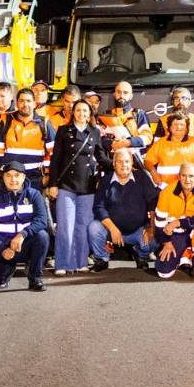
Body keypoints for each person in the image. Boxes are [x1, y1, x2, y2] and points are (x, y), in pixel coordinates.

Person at [49, 98, 108, 275]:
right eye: (78, 110)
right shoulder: (63, 131)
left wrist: (120, 163)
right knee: (65, 226)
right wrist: (53, 184)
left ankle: (81, 261)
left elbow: (102, 157)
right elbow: (56, 160)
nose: (82, 114)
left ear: (90, 114)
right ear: (72, 113)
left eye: (85, 111)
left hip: (87, 186)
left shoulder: (95, 132)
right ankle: (62, 263)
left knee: (83, 226)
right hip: (66, 185)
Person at [0, 160, 50, 291]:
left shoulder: (34, 195)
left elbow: (42, 220)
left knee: (42, 236)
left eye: (17, 175)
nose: (13, 179)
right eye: (8, 175)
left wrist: (22, 234)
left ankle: (35, 278)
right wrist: (2, 249)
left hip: (24, 245)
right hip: (4, 245)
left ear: (24, 177)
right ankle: (5, 273)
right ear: (3, 177)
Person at [90, 148, 160, 272]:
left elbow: (153, 203)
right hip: (112, 231)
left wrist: (151, 227)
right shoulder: (106, 180)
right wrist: (112, 228)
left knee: (156, 236)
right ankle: (102, 259)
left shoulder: (142, 177)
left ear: (132, 162)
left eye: (127, 161)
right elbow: (99, 207)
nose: (124, 165)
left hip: (138, 230)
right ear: (113, 163)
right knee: (93, 228)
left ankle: (140, 255)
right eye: (120, 162)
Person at [154, 163, 194, 279]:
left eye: (191, 176)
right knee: (163, 272)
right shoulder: (166, 192)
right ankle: (183, 255)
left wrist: (178, 222)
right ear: (179, 176)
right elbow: (159, 223)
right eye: (184, 175)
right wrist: (167, 242)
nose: (187, 180)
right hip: (177, 233)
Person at [0, 88, 55, 186]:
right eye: (21, 101)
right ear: (17, 104)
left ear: (34, 104)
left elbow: (54, 153)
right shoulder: (6, 121)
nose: (25, 104)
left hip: (35, 178)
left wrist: (48, 178)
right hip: (10, 179)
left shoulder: (44, 123)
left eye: (29, 101)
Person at [144, 111, 194, 188]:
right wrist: (153, 173)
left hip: (188, 189)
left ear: (187, 128)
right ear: (169, 127)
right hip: (164, 187)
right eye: (175, 124)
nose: (179, 127)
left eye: (182, 124)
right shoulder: (160, 142)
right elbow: (148, 161)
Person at [98, 81, 153, 158]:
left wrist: (128, 142)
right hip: (113, 161)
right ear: (114, 94)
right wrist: (112, 144)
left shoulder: (139, 114)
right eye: (119, 92)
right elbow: (99, 136)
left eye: (125, 93)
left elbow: (148, 137)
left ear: (131, 96)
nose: (121, 96)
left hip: (136, 160)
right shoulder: (106, 115)